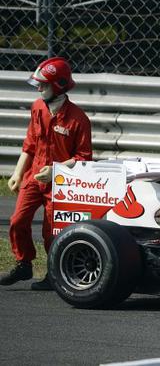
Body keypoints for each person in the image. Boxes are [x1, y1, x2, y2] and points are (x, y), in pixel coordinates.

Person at [0, 57, 92, 290]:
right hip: (33, 176)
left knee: (52, 231)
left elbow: (84, 158)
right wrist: (18, 173)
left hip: (59, 183)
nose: (39, 88)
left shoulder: (78, 119)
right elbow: (30, 143)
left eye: (44, 84)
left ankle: (54, 273)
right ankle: (24, 264)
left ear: (60, 85)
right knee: (17, 221)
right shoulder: (37, 107)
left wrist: (56, 171)